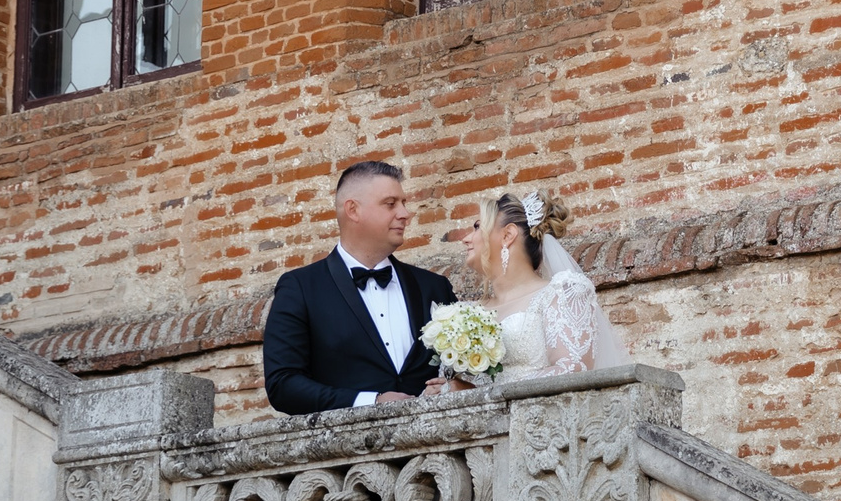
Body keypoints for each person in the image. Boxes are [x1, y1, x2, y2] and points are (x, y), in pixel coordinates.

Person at [261, 160, 460, 415]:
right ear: (353, 210)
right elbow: (283, 385)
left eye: (403, 203)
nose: (405, 213)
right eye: (390, 204)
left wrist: (450, 386)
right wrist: (371, 401)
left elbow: (462, 373)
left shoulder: (434, 287)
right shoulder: (300, 288)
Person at [438, 188, 628, 385]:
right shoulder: (467, 313)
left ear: (507, 235)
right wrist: (444, 389)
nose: (466, 239)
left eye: (478, 227)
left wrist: (481, 393)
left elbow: (574, 369)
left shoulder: (561, 293)